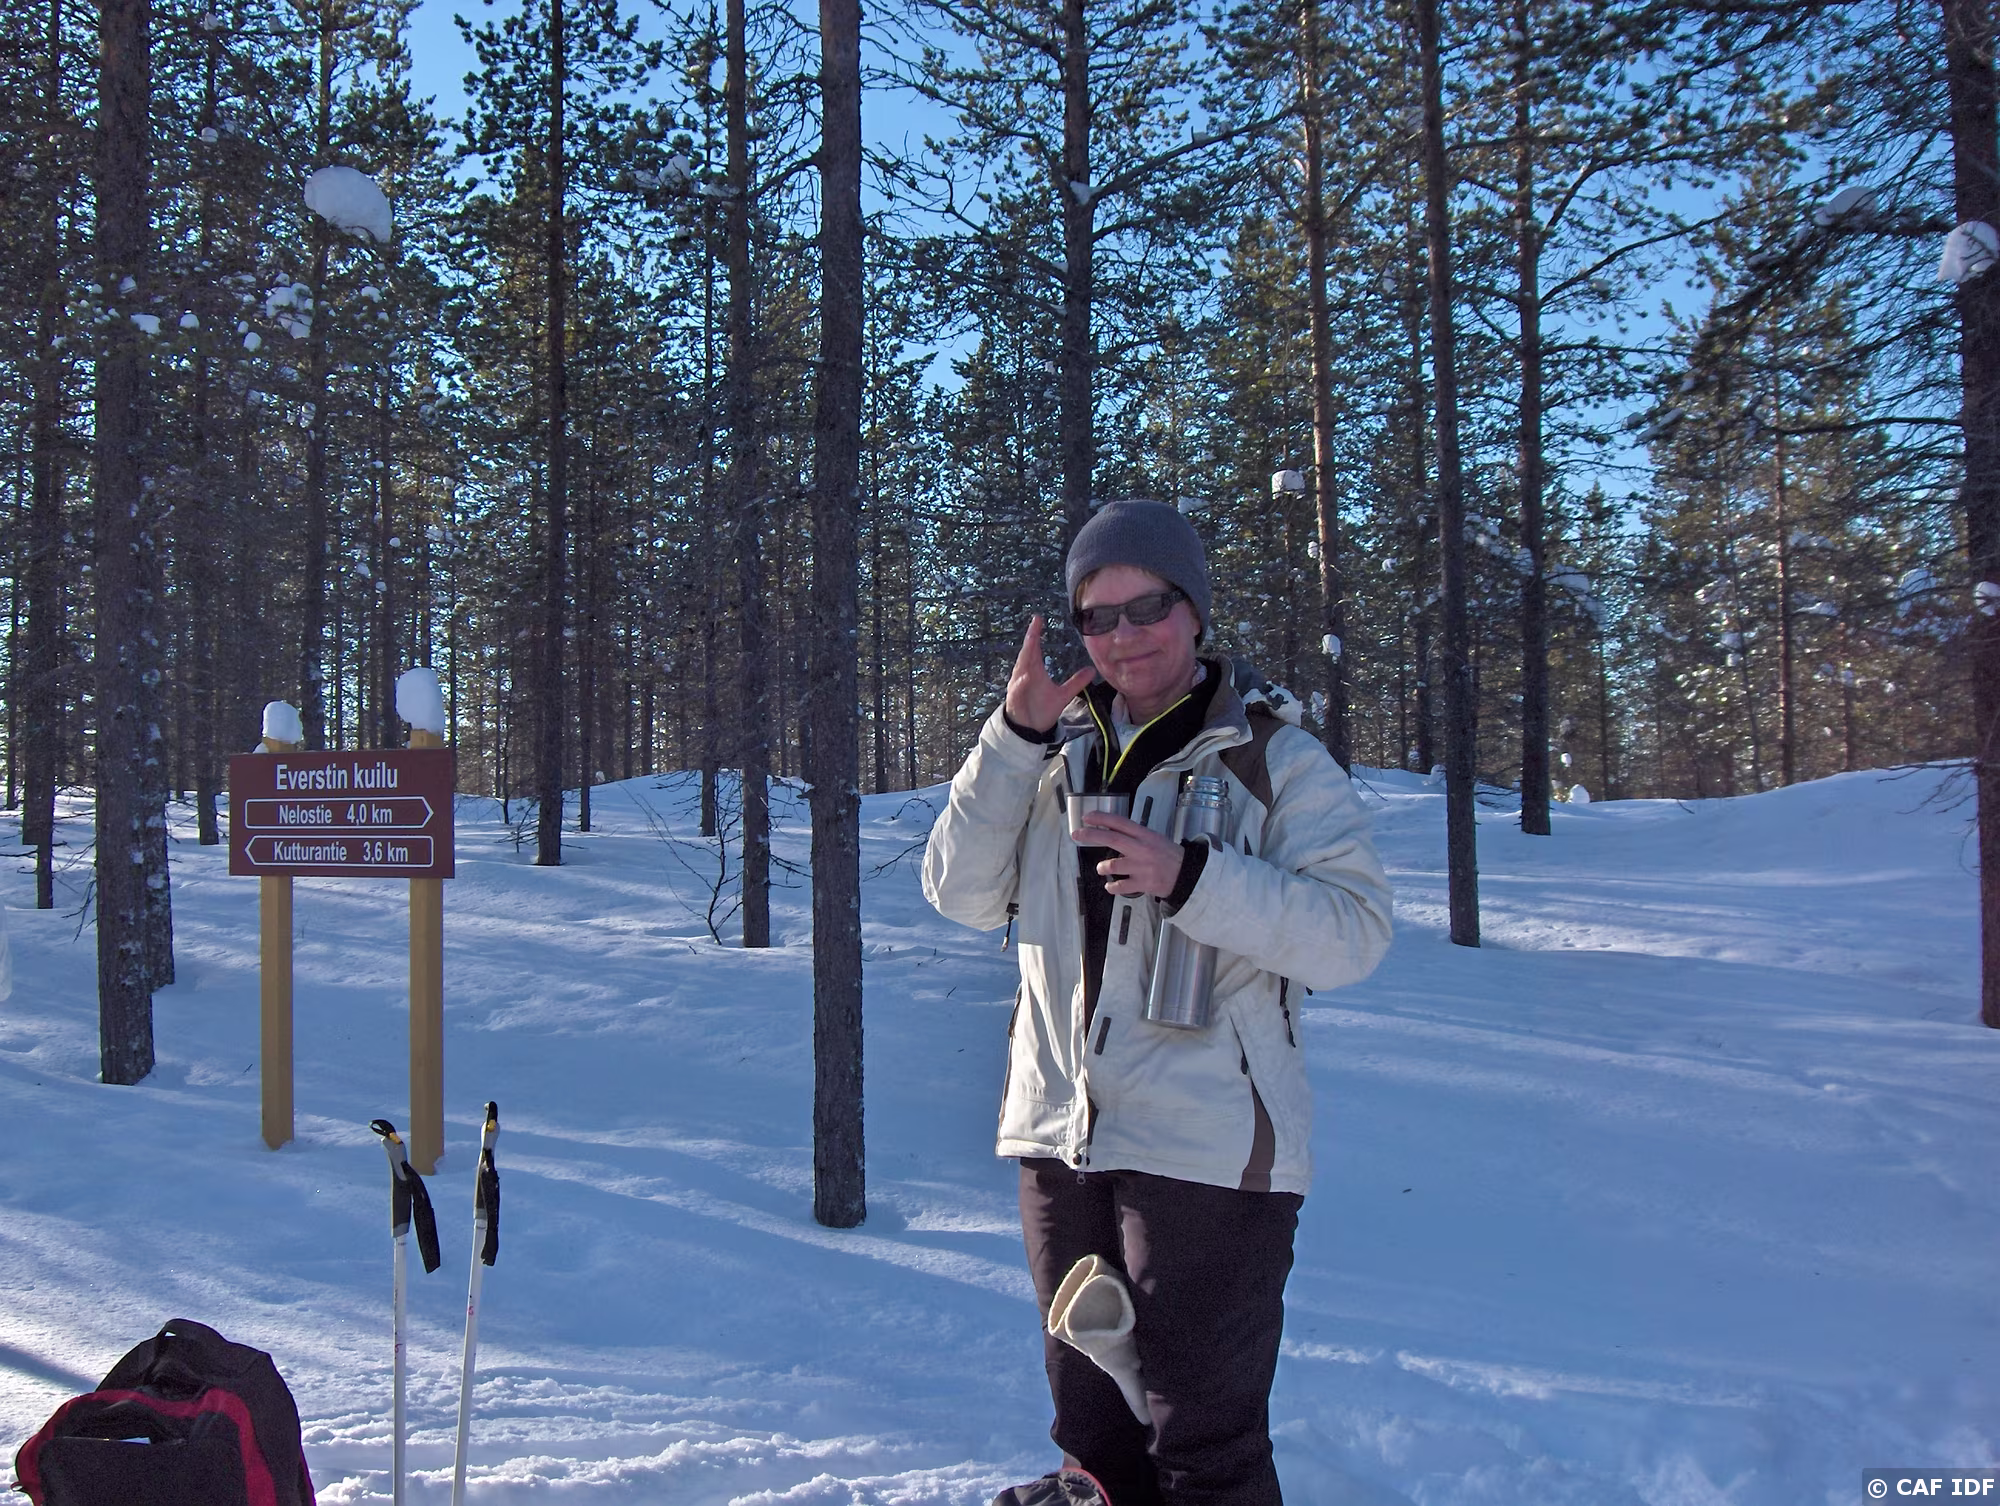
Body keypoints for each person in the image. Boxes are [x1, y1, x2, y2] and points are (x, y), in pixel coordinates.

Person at [922, 499, 1393, 1506]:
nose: (1123, 636)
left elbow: (1353, 933)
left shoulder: (1271, 759)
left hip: (1210, 1151)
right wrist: (1011, 736)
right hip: (1062, 1137)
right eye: (1097, 617)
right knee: (1092, 1438)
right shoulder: (1051, 756)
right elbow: (959, 895)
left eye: (1148, 608)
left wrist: (1193, 879)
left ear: (1195, 612)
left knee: (1201, 1445)